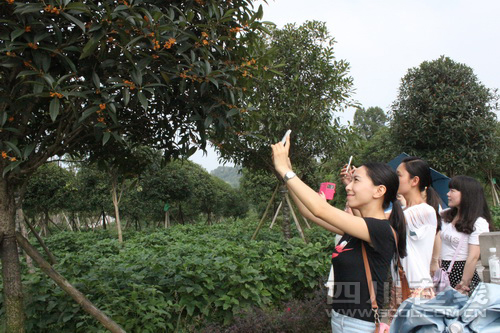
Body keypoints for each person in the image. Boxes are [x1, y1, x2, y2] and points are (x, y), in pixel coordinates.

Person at [271, 136, 407, 332]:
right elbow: (309, 212)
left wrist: (286, 170)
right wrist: (286, 172)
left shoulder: (380, 230)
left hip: (359, 326)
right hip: (340, 319)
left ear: (379, 191)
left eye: (356, 181)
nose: (348, 186)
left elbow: (320, 209)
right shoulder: (357, 228)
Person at [389, 157, 441, 321]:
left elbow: (379, 222)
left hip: (416, 289)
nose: (395, 179)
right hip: (400, 287)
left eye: (399, 175)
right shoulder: (405, 211)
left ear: (414, 181)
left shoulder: (425, 211)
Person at [438, 175, 492, 295]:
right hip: (443, 272)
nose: (448, 194)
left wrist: (464, 284)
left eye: (452, 190)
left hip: (461, 272)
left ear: (467, 194)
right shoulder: (446, 216)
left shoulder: (478, 223)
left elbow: (473, 257)